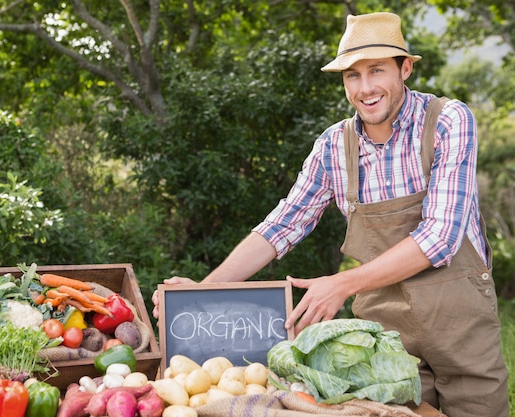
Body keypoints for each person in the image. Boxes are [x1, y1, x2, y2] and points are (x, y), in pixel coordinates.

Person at [152, 12, 509, 417]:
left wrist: (341, 284)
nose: (366, 88)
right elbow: (282, 225)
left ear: (405, 68)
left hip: (460, 320)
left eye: (377, 71)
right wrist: (201, 293)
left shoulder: (448, 121)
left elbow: (440, 237)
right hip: (383, 339)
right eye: (352, 76)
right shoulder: (333, 147)